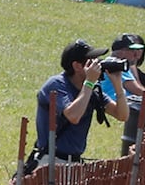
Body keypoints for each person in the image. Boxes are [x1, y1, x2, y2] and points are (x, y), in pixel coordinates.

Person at [29, 38, 127, 170]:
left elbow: (122, 115)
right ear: (77, 66)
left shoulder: (90, 89)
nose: (97, 64)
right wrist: (89, 83)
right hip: (50, 161)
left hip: (73, 162)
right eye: (91, 61)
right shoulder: (57, 85)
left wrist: (118, 84)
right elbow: (73, 116)